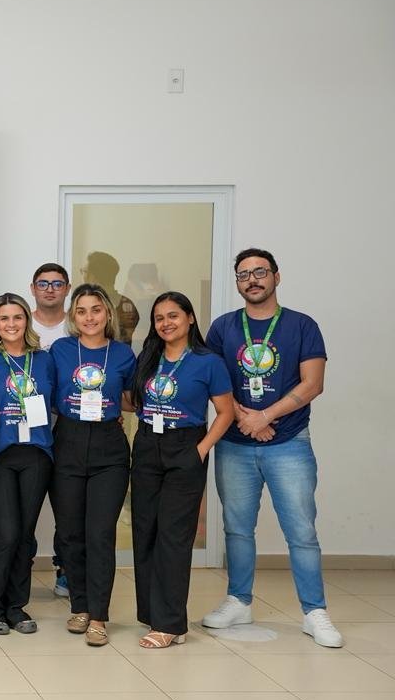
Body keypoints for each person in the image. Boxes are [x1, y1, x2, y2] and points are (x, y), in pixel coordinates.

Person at [202, 248, 343, 647]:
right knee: (237, 528)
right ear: (237, 283)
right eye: (244, 274)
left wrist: (264, 417)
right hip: (234, 443)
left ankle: (314, 612)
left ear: (276, 277)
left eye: (260, 272)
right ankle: (238, 601)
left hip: (290, 443)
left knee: (301, 530)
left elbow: (313, 383)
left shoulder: (302, 325)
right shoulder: (224, 327)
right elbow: (215, 382)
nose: (252, 280)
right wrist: (246, 416)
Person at [130, 291, 234, 648]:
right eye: (159, 318)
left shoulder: (209, 362)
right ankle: (152, 615)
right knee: (145, 532)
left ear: (190, 318)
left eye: (173, 316)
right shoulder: (149, 357)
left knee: (174, 538)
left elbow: (226, 412)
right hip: (146, 446)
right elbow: (133, 401)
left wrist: (201, 451)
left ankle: (171, 624)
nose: (166, 323)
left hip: (185, 448)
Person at [48, 284, 136, 646]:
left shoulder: (124, 354)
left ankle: (99, 615)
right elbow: (47, 394)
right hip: (66, 444)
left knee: (100, 535)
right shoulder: (60, 350)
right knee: (71, 534)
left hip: (109, 451)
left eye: (96, 310)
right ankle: (79, 606)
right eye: (81, 311)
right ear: (73, 316)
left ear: (108, 314)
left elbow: (131, 400)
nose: (89, 318)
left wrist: (113, 409)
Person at [0, 294, 57, 635]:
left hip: (37, 453)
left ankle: (15, 606)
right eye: (4, 318)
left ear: (27, 321)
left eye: (18, 317)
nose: (11, 324)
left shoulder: (44, 360)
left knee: (25, 535)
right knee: (6, 533)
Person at [30, 262, 72, 598]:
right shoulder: (18, 321)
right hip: (25, 428)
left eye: (57, 283)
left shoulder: (78, 325)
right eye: (43, 283)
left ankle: (65, 569)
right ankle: (17, 570)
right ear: (33, 288)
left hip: (67, 427)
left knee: (66, 505)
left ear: (67, 288)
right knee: (23, 507)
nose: (49, 289)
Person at [84, 251, 140, 345]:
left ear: (92, 277)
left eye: (84, 271)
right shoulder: (126, 303)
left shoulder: (125, 307)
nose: (83, 276)